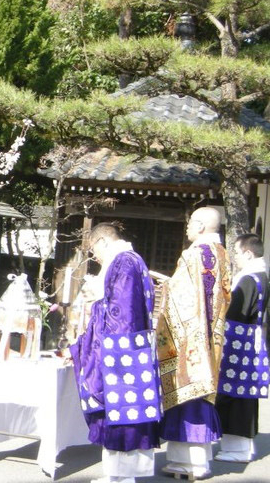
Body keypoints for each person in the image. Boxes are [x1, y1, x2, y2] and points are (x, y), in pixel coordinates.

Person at [71, 223, 161, 483]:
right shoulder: (134, 261)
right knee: (127, 413)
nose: (95, 257)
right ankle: (118, 474)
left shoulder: (123, 263)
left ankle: (120, 476)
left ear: (103, 241)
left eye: (93, 250)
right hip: (132, 348)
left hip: (120, 352)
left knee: (120, 413)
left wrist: (95, 337)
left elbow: (121, 312)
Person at [157, 206, 231, 480]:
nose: (187, 228)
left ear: (200, 226)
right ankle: (198, 461)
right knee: (202, 392)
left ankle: (184, 463)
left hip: (189, 336)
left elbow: (183, 298)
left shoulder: (192, 256)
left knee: (185, 391)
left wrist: (165, 288)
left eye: (190, 223)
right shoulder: (222, 255)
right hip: (212, 338)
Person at [214, 233, 270, 463]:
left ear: (248, 253)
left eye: (237, 252)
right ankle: (240, 446)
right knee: (244, 394)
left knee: (235, 393)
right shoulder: (260, 275)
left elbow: (236, 313)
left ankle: (237, 448)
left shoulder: (249, 278)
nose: (235, 257)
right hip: (249, 341)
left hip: (239, 343)